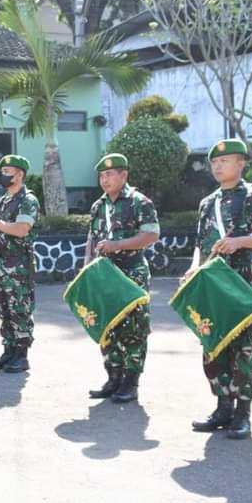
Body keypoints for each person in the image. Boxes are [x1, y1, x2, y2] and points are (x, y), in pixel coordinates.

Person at [185, 138, 252, 440]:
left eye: (224, 161)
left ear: (241, 164)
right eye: (214, 162)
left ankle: (243, 414)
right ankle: (222, 407)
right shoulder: (207, 202)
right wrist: (193, 268)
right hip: (211, 282)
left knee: (242, 348)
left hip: (241, 281)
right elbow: (201, 244)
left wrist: (239, 242)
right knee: (213, 343)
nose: (217, 166)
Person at [83, 153, 161, 404]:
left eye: (109, 174)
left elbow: (151, 235)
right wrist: (86, 270)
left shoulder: (139, 202)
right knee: (108, 326)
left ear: (123, 175)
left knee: (133, 329)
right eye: (101, 176)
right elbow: (92, 239)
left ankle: (130, 381)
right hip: (105, 274)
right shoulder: (99, 206)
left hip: (131, 273)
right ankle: (113, 377)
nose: (104, 180)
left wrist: (118, 245)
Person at [0, 154, 39, 374]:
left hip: (18, 263)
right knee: (3, 309)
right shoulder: (3, 200)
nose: (2, 175)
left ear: (19, 175)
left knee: (19, 309)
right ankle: (8, 350)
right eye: (2, 171)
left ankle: (21, 355)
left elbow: (21, 229)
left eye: (7, 172)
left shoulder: (27, 200)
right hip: (1, 262)